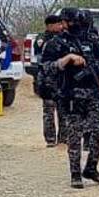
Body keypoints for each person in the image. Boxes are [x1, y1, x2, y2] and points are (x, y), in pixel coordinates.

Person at [44, 7, 99, 189]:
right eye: (71, 21)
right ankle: (75, 173)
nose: (75, 25)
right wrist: (66, 59)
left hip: (93, 92)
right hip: (70, 94)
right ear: (63, 23)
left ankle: (91, 167)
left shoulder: (90, 39)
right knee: (75, 133)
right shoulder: (56, 43)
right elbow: (47, 68)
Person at [34, 13, 67, 147]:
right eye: (58, 24)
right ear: (50, 26)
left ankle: (63, 138)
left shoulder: (64, 37)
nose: (60, 26)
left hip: (62, 79)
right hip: (48, 80)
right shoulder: (43, 39)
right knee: (49, 111)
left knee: (63, 110)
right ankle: (51, 139)